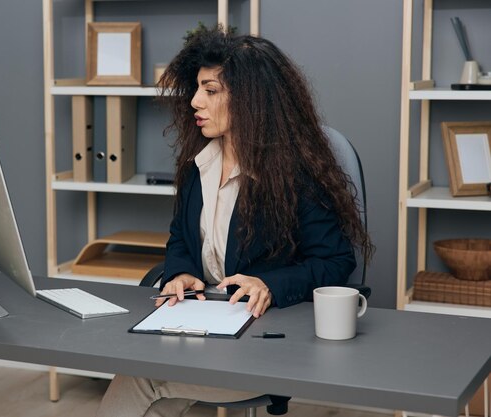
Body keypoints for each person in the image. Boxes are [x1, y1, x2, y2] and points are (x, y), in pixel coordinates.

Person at [95, 25, 373, 417]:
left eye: (210, 90)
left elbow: (336, 261)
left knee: (143, 378)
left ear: (250, 100)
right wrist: (182, 272)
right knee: (151, 387)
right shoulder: (199, 164)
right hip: (205, 324)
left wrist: (269, 285)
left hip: (267, 340)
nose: (193, 101)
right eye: (196, 89)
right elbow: (180, 237)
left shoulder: (297, 177)